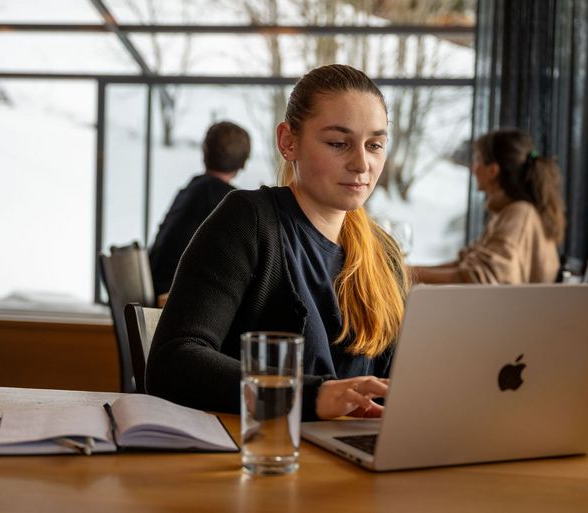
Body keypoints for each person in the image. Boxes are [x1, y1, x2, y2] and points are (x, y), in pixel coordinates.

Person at [145, 64, 410, 421]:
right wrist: (308, 397)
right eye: (338, 143)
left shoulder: (384, 254)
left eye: (375, 145)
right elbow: (172, 362)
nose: (362, 163)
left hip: (355, 459)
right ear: (288, 142)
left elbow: (396, 384)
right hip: (263, 454)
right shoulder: (249, 220)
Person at [412, 129, 565, 284]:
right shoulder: (511, 212)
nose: (473, 168)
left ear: (493, 170)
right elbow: (465, 264)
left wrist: (408, 275)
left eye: (477, 159)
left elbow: (479, 278)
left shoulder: (520, 214)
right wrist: (408, 272)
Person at [149, 121, 251, 297]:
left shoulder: (190, 190)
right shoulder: (232, 202)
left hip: (157, 288)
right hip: (176, 299)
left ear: (204, 153)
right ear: (243, 162)